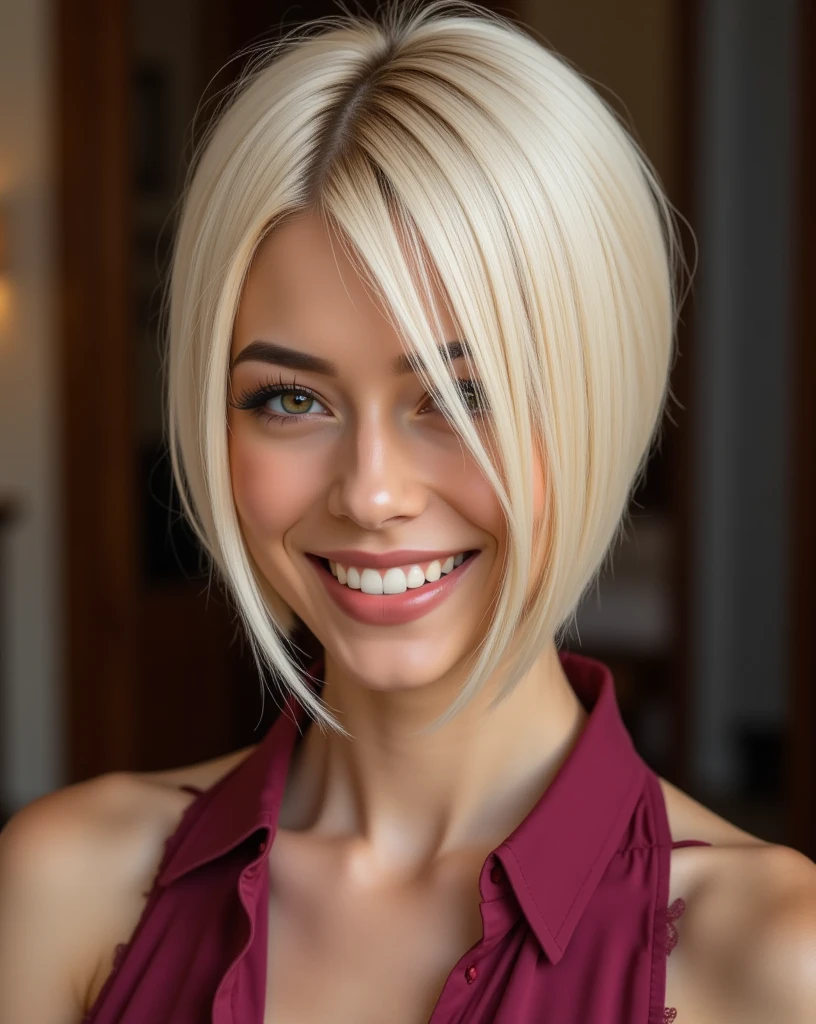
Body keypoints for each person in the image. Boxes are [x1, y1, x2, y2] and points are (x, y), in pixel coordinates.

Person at [1, 2, 814, 1021]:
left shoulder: (770, 958)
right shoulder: (66, 886)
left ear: (599, 398)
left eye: (461, 393)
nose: (373, 491)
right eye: (290, 400)